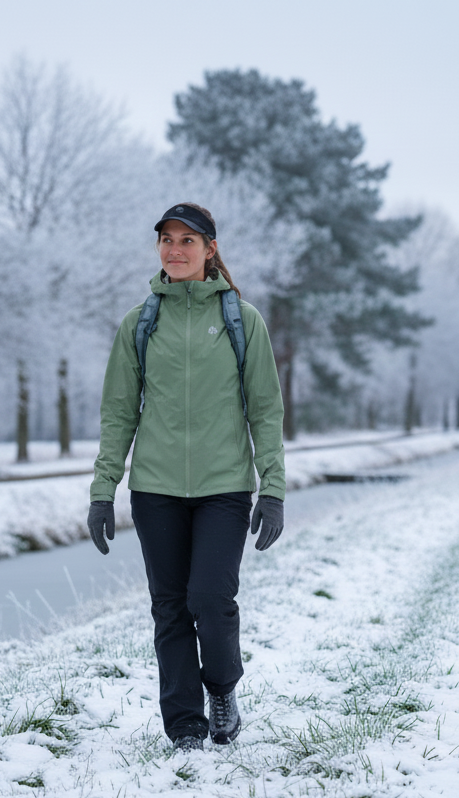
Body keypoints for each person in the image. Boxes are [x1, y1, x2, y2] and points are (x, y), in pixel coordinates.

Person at [87, 203, 286, 753]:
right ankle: (185, 725)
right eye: (166, 240)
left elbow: (265, 411)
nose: (175, 250)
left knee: (211, 600)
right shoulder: (140, 324)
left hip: (224, 487)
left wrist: (272, 488)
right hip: (156, 489)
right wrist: (103, 490)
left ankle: (221, 689)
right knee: (169, 606)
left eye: (187, 241)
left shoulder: (242, 321)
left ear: (210, 249)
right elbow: (119, 412)